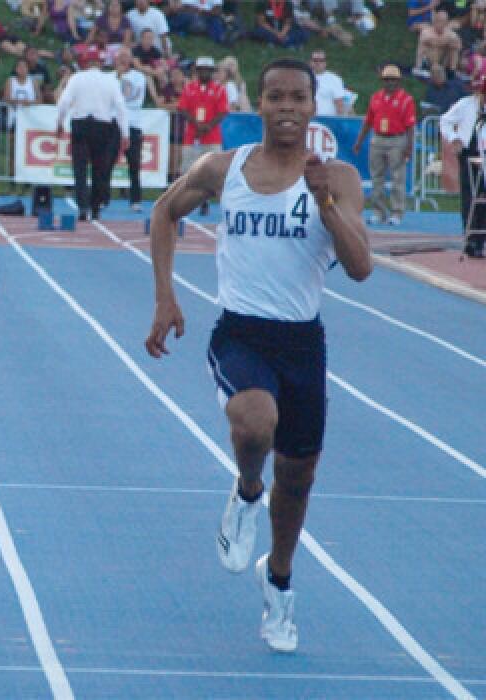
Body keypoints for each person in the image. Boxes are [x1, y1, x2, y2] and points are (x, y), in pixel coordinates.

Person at [144, 57, 373, 654]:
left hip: (301, 343)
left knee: (297, 480)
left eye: (299, 97)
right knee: (254, 422)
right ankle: (247, 490)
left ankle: (279, 585)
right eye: (276, 97)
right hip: (241, 333)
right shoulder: (224, 168)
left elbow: (360, 267)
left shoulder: (339, 178)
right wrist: (166, 295)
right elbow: (164, 214)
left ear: (313, 104)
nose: (288, 107)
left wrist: (325, 206)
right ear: (259, 104)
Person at [56, 44, 128, 220]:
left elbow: (64, 102)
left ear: (84, 62)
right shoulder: (110, 80)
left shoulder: (76, 78)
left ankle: (82, 206)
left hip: (80, 124)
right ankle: (95, 206)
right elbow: (120, 108)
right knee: (99, 168)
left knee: (79, 168)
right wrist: (125, 134)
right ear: (101, 62)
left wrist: (59, 122)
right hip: (102, 126)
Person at [353, 63, 416, 226]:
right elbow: (368, 121)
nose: (389, 83)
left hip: (397, 139)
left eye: (393, 80)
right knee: (376, 177)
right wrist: (359, 141)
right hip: (378, 138)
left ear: (398, 81)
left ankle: (396, 212)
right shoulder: (376, 97)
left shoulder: (406, 100)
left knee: (397, 177)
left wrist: (409, 146)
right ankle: (378, 211)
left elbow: (410, 125)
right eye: (387, 79)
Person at [439, 79, 486, 256]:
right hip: (469, 153)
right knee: (470, 196)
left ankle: (480, 240)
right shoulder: (465, 104)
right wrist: (454, 138)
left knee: (484, 197)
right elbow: (445, 121)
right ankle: (470, 239)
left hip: (485, 153)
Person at [177, 56, 228, 215]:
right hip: (192, 136)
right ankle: (184, 202)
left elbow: (223, 112)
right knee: (188, 170)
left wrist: (208, 126)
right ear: (197, 71)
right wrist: (196, 124)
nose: (204, 73)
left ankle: (212, 202)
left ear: (212, 72)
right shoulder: (189, 88)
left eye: (207, 70)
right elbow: (182, 108)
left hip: (212, 136)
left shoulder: (219, 89)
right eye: (201, 70)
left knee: (215, 171)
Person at [115, 47, 146, 211]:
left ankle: (135, 200)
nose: (123, 60)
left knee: (134, 164)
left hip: (133, 124)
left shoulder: (138, 77)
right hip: (113, 124)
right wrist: (117, 76)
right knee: (104, 163)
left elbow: (130, 96)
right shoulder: (109, 76)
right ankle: (101, 197)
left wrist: (120, 78)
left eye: (126, 57)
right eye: (120, 57)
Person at [310, 50, 350, 116]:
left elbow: (339, 104)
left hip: (328, 121)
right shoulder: (304, 77)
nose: (318, 63)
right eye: (315, 60)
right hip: (308, 120)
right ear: (310, 62)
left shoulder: (334, 79)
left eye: (321, 60)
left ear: (325, 63)